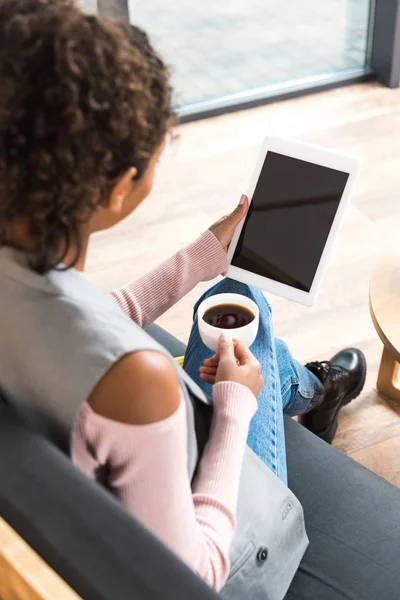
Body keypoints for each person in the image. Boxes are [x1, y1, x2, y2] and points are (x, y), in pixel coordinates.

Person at [0, 1, 366, 598]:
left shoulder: (21, 280)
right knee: (247, 305)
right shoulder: (136, 382)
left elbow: (78, 324)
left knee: (228, 288)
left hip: (99, 479)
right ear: (119, 188)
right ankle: (311, 391)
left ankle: (310, 388)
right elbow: (193, 577)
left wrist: (196, 260)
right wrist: (233, 408)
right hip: (231, 561)